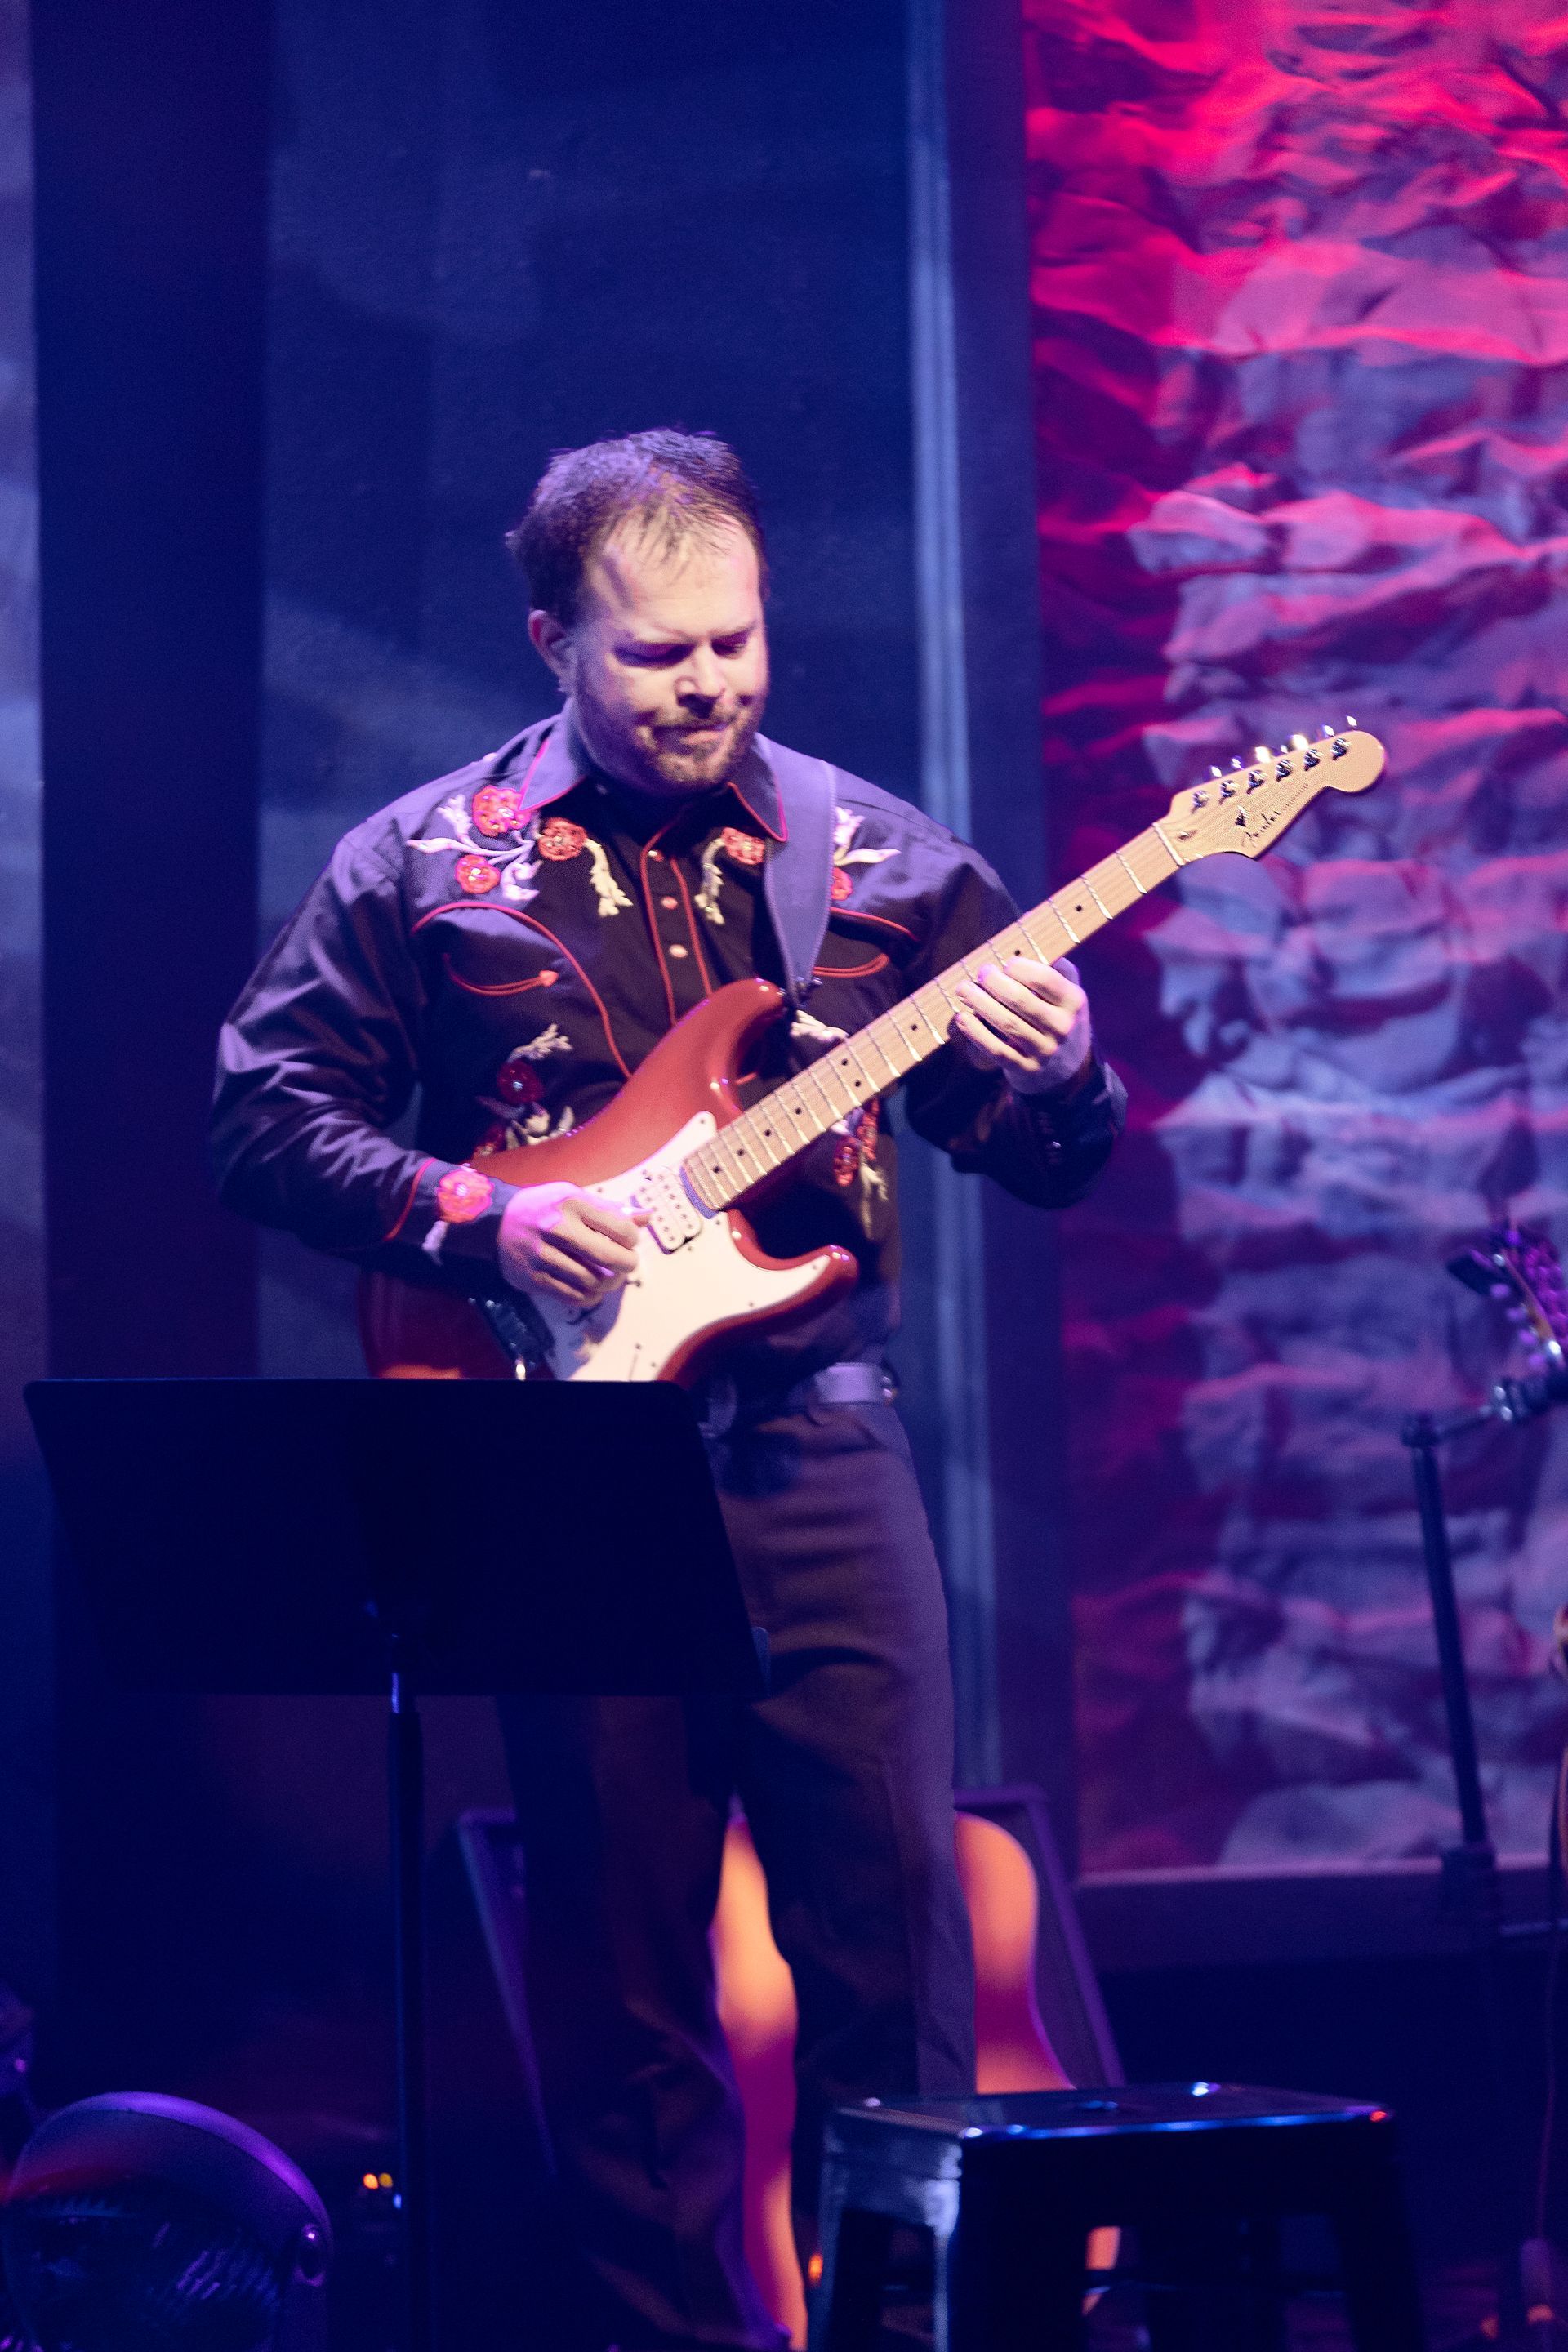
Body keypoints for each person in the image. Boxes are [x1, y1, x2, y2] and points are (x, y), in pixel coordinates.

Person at [212, 430, 1125, 2350]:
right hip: (571, 1466)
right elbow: (259, 1118)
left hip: (819, 1439)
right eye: (657, 655)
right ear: (555, 641)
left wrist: (1058, 1077)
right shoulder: (424, 865)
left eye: (736, 642)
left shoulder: (881, 865)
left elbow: (1036, 1155)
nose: (710, 683)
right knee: (624, 1988)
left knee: (896, 1963)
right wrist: (470, 1217)